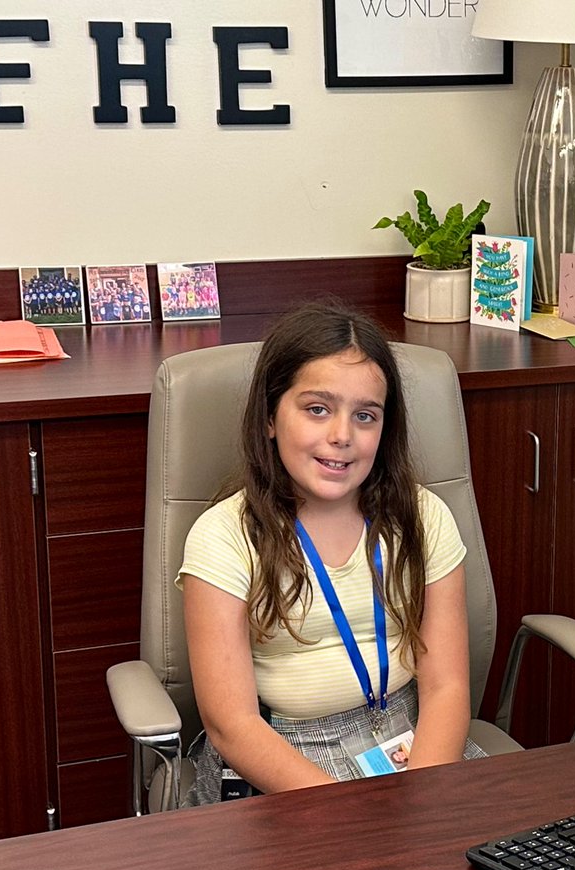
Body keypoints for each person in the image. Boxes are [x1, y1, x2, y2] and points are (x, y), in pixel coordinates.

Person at [178, 302, 483, 805]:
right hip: (283, 753)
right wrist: (346, 814)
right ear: (271, 417)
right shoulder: (223, 535)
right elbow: (231, 725)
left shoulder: (424, 517)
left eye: (365, 415)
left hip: (413, 738)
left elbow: (448, 686)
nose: (342, 436)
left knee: (512, 864)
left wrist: (421, 795)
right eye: (317, 409)